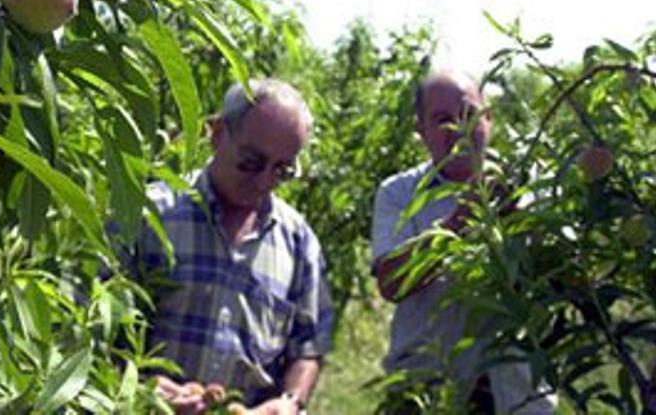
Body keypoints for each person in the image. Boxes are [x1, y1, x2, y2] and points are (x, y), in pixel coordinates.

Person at [128, 79, 333, 414]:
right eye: (251, 162)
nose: (266, 181)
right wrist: (138, 386)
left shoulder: (298, 241)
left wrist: (290, 402)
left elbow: (308, 347)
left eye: (283, 170)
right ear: (218, 133)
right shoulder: (149, 215)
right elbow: (88, 329)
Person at [371, 72, 557, 414]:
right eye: (442, 120)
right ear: (420, 131)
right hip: (427, 389)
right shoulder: (398, 193)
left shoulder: (532, 183)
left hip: (517, 393)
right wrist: (459, 222)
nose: (459, 129)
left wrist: (528, 224)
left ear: (490, 119)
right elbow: (391, 282)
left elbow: (567, 275)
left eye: (469, 115)